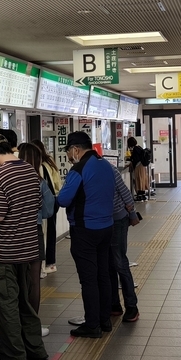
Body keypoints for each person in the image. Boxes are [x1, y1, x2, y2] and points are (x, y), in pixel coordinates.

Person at [0, 133, 48, 360]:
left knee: (5, 304)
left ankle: (13, 354)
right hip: (27, 250)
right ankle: (35, 348)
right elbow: (38, 206)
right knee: (24, 302)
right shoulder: (30, 170)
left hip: (3, 252)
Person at [56, 131, 116, 338]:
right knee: (103, 275)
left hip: (85, 230)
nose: (68, 156)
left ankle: (92, 325)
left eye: (68, 151)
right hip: (106, 227)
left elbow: (63, 200)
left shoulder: (79, 169)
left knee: (89, 279)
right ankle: (105, 320)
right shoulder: (106, 165)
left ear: (76, 149)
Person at [16, 143, 56, 337]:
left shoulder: (9, 179)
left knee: (16, 280)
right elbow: (49, 210)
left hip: (13, 234)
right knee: (34, 280)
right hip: (34, 231)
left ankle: (15, 325)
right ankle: (32, 326)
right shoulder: (39, 182)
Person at [108, 171, 140, 322]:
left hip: (118, 220)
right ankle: (114, 304)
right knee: (109, 264)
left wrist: (132, 214)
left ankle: (131, 307)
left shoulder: (110, 170)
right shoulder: (87, 170)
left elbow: (126, 195)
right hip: (103, 222)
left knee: (119, 262)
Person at [29, 139, 63, 276]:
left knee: (44, 234)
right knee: (51, 232)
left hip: (44, 205)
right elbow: (57, 184)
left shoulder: (40, 167)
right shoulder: (49, 162)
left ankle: (43, 266)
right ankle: (50, 263)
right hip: (53, 199)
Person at [126, 137, 150, 201]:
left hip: (138, 166)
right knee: (142, 179)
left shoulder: (135, 149)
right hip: (142, 166)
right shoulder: (139, 147)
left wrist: (130, 159)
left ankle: (139, 196)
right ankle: (143, 195)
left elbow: (135, 159)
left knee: (138, 180)